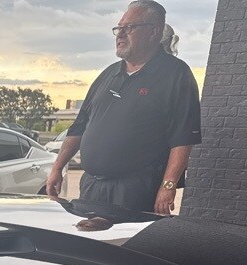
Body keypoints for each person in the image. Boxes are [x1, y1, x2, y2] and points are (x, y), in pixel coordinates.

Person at [46, 1, 201, 215]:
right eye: (118, 28)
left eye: (129, 28)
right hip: (91, 186)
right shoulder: (108, 74)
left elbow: (182, 139)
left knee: (124, 246)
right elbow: (79, 127)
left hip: (136, 190)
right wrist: (57, 168)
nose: (120, 34)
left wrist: (168, 187)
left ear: (153, 31)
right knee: (89, 243)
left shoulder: (176, 75)